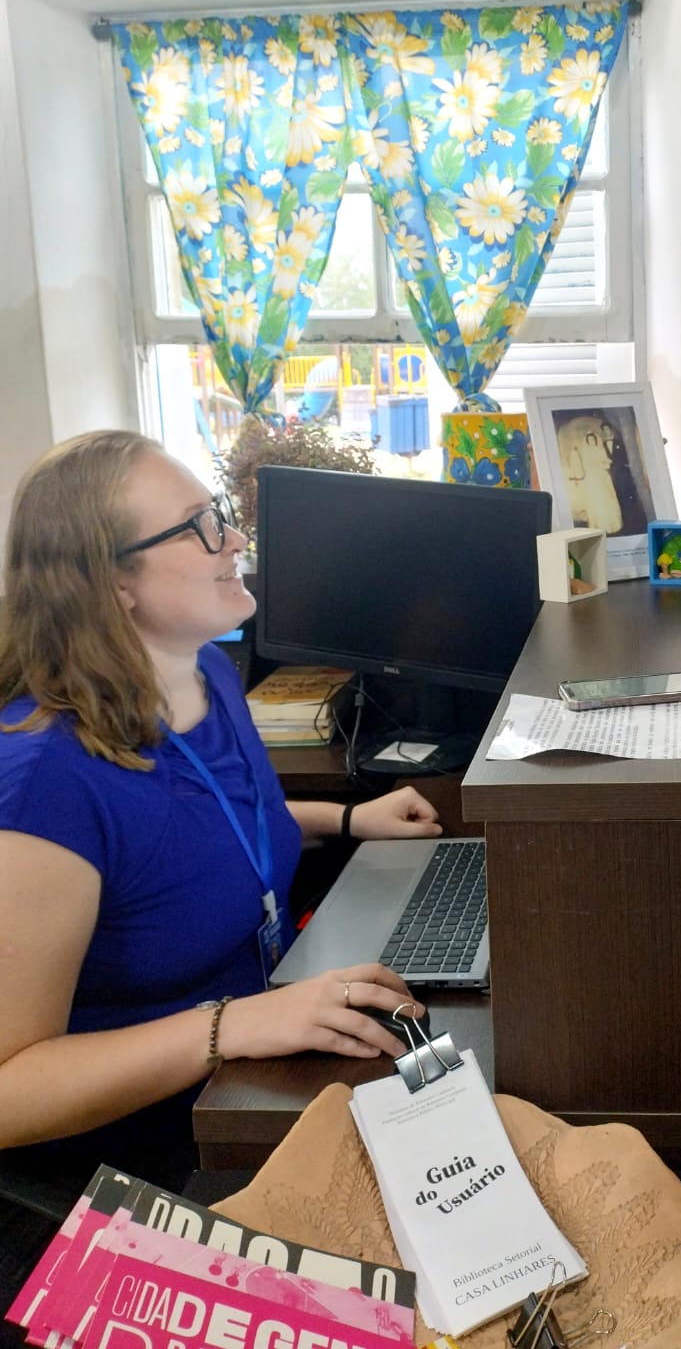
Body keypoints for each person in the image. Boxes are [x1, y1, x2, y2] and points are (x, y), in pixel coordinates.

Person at [0, 431, 445, 1215]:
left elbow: (196, 832)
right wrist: (229, 1026)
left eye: (222, 513)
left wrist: (347, 819)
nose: (235, 538)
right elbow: (9, 1090)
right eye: (199, 527)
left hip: (248, 1076)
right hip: (135, 1161)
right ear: (113, 581)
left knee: (463, 1109)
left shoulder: (204, 674)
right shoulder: (43, 787)